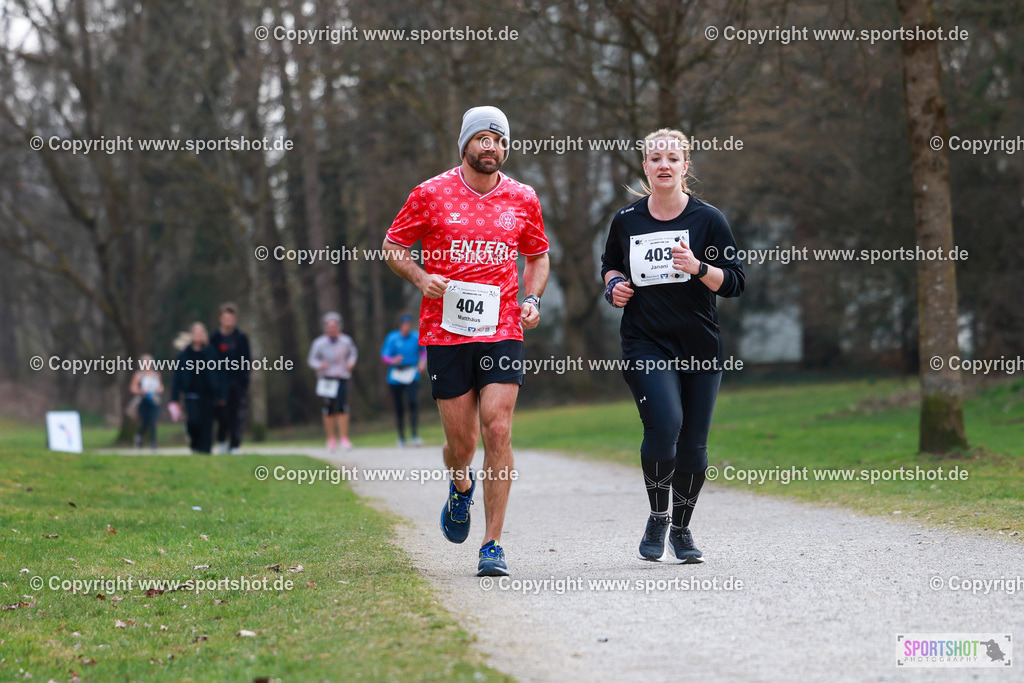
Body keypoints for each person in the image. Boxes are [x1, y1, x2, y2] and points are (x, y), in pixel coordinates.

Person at [383, 105, 550, 577]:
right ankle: (460, 486)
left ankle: (492, 544)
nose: (491, 146)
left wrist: (532, 300)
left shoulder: (523, 197)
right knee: (462, 444)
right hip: (445, 332)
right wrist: (420, 277)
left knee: (497, 428)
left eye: (499, 138)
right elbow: (393, 246)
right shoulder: (430, 193)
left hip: (502, 329)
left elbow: (538, 256)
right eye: (482, 137)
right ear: (465, 144)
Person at [600, 128, 745, 564]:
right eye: (655, 158)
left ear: (685, 166)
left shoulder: (708, 220)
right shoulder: (627, 220)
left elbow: (736, 282)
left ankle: (681, 529)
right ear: (645, 167)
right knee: (665, 425)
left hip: (699, 344)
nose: (664, 165)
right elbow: (610, 265)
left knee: (694, 446)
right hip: (646, 341)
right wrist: (614, 287)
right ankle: (658, 516)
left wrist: (700, 267)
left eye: (672, 158)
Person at [168, 322, 227, 454]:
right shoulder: (184, 355)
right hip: (191, 394)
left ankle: (206, 451)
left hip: (208, 394)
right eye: (196, 333)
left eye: (201, 332)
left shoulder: (212, 353)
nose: (198, 335)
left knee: (207, 424)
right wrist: (174, 398)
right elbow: (177, 378)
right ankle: (195, 445)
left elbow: (221, 373)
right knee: (193, 422)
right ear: (191, 335)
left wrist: (222, 394)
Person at [307, 312, 358, 451]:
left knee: (342, 407)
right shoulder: (319, 343)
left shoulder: (346, 341)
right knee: (328, 409)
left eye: (334, 327)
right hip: (326, 378)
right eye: (329, 327)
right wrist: (319, 365)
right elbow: (311, 360)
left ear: (339, 327)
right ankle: (331, 438)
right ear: (325, 328)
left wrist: (351, 363)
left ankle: (344, 437)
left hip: (341, 376)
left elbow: (353, 353)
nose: (332, 329)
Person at [210, 302, 251, 454]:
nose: (228, 321)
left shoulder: (241, 337)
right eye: (225, 318)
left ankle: (235, 445)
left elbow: (247, 360)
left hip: (237, 383)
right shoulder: (215, 338)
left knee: (236, 415)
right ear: (221, 318)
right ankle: (221, 441)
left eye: (231, 318)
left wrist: (244, 381)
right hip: (220, 384)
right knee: (222, 415)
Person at [380, 313, 426, 447]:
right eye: (404, 325)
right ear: (400, 326)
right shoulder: (392, 338)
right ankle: (401, 438)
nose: (407, 327)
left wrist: (422, 362)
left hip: (412, 373)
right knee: (399, 407)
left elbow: (424, 351)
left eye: (409, 324)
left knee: (412, 403)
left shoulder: (416, 336)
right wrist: (392, 360)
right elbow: (384, 356)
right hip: (396, 375)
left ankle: (415, 436)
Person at [130, 353, 163, 450]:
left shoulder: (156, 374)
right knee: (146, 422)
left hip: (154, 401)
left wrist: (158, 390)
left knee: (153, 421)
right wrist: (141, 391)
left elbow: (161, 387)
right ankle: (139, 436)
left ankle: (153, 443)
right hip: (143, 401)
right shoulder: (139, 375)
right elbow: (133, 388)